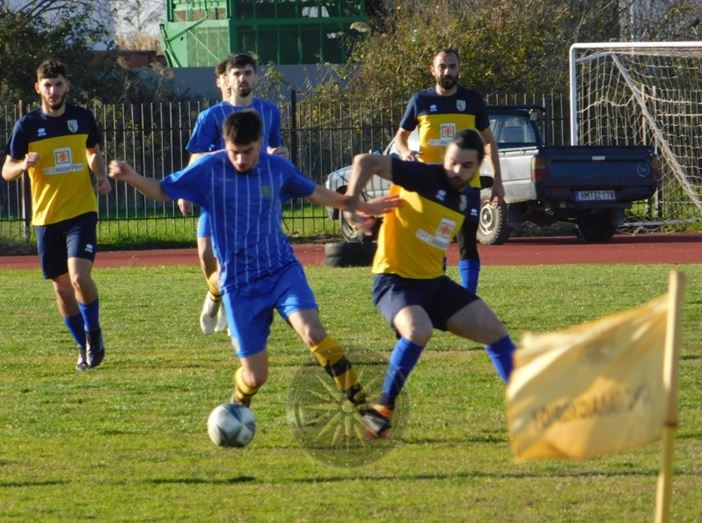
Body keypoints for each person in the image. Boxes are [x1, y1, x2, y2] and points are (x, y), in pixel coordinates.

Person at [108, 110, 398, 415]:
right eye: (234, 152)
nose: (241, 159)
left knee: (313, 332)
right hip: (239, 283)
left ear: (260, 142)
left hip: (281, 270)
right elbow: (162, 190)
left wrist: (359, 205)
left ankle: (364, 408)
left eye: (248, 151)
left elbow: (316, 194)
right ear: (225, 144)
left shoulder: (277, 169)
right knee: (256, 375)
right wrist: (132, 177)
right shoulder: (208, 170)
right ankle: (238, 403)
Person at [344, 128, 515, 439]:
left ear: (477, 167)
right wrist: (352, 205)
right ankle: (382, 409)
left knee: (494, 331)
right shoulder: (423, 176)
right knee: (418, 329)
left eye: (466, 165)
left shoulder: (467, 198)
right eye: (452, 162)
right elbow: (364, 162)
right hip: (394, 280)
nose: (457, 170)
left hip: (434, 283)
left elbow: (430, 234)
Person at [2, 59, 112, 371]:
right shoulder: (26, 126)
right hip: (46, 217)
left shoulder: (82, 118)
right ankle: (82, 345)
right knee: (62, 289)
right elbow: (6, 170)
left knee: (79, 277)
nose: (53, 90)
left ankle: (94, 334)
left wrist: (101, 175)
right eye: (48, 85)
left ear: (67, 86)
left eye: (58, 84)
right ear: (38, 88)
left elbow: (92, 152)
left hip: (81, 211)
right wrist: (23, 164)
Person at [182, 53, 289, 335]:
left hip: (254, 199)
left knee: (241, 261)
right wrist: (185, 189)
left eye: (247, 73)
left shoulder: (269, 112)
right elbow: (196, 157)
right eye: (237, 74)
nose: (242, 78)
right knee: (206, 256)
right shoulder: (211, 116)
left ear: (256, 77)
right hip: (217, 196)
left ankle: (237, 313)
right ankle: (214, 294)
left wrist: (280, 154)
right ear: (226, 80)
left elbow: (275, 150)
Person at [394, 48, 504, 295]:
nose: (447, 71)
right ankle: (435, 294)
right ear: (432, 70)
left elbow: (488, 141)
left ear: (459, 69)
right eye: (442, 66)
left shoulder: (472, 101)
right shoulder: (420, 101)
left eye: (452, 66)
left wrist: (497, 180)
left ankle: (467, 298)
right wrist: (405, 152)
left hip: (468, 185)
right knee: (434, 245)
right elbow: (400, 137)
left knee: (468, 243)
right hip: (432, 186)